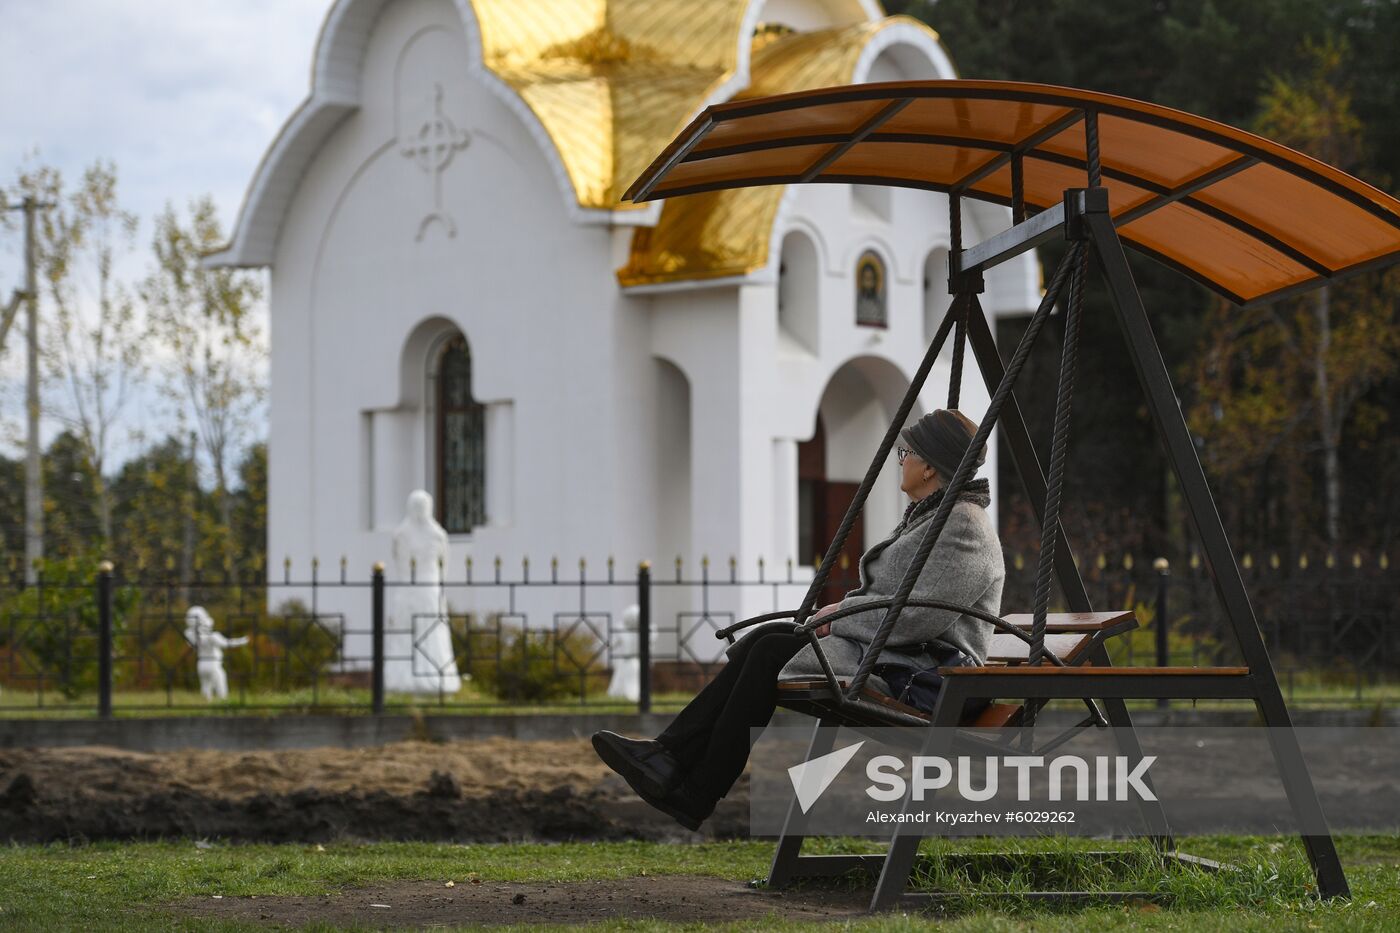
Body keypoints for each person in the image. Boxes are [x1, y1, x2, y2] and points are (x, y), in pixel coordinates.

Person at [592, 409, 1005, 830]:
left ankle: (693, 787)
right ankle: (670, 758)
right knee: (768, 638)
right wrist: (841, 615)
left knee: (772, 649)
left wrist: (840, 615)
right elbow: (903, 603)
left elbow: (920, 617)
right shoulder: (935, 516)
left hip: (926, 677)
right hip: (895, 658)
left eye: (907, 453)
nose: (902, 461)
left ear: (930, 466)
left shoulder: (963, 526)